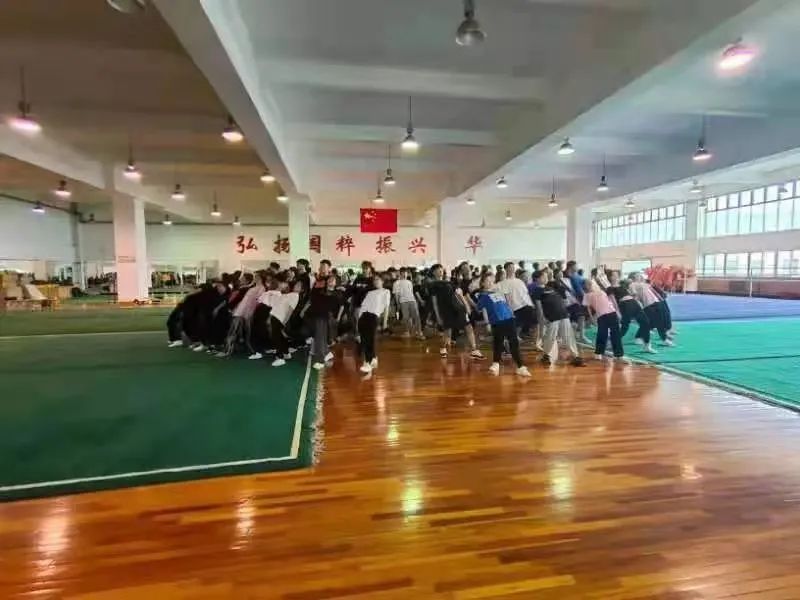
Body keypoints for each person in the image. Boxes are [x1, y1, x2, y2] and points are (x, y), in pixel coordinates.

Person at [476, 273, 531, 377]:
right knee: (498, 343)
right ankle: (495, 364)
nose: (490, 283)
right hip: (496, 321)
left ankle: (520, 367)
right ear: (482, 283)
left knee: (514, 343)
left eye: (492, 281)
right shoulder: (482, 296)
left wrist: (511, 313)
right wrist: (487, 323)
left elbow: (506, 304)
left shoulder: (498, 292)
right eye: (487, 281)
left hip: (509, 319)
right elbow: (484, 310)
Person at [429, 264, 484, 360]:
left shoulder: (450, 281)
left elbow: (459, 293)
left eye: (441, 269)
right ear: (433, 272)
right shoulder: (433, 285)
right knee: (447, 332)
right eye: (437, 270)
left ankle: (474, 350)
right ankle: (443, 348)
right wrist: (438, 316)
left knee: (469, 327)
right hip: (446, 311)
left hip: (459, 308)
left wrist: (466, 305)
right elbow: (434, 302)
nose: (440, 271)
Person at [538, 270, 585, 367]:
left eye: (547, 276)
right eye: (544, 276)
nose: (546, 277)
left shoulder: (554, 285)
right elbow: (539, 307)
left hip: (563, 314)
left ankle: (576, 357)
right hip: (552, 317)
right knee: (550, 337)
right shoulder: (537, 290)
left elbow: (563, 297)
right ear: (537, 279)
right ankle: (546, 356)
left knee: (568, 336)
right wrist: (542, 319)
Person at [606, 271, 656, 354]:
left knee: (646, 322)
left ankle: (647, 346)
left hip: (633, 303)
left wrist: (636, 298)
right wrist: (617, 312)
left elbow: (631, 294)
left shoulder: (622, 285)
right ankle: (611, 341)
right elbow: (613, 301)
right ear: (610, 277)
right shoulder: (609, 288)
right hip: (624, 305)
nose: (617, 276)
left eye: (617, 275)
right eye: (614, 275)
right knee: (625, 327)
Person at [583, 279, 629, 362]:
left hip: (612, 313)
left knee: (616, 334)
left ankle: (619, 355)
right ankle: (598, 353)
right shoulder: (587, 295)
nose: (589, 285)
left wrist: (617, 311)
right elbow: (588, 308)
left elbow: (609, 301)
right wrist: (592, 318)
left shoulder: (601, 291)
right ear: (585, 286)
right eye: (587, 284)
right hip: (601, 316)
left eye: (590, 283)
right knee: (602, 334)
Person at [357, 275, 391, 374]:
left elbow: (386, 307)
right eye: (374, 280)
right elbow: (363, 306)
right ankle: (373, 359)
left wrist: (385, 322)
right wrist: (359, 318)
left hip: (374, 316)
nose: (375, 281)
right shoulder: (370, 293)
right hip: (363, 316)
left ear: (382, 281)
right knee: (364, 339)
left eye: (377, 279)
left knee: (370, 339)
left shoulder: (386, 292)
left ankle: (368, 362)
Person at [630, 273, 674, 346]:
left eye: (640, 276)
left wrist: (660, 299)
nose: (639, 277)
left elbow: (654, 292)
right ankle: (663, 339)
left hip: (655, 302)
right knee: (652, 322)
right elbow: (634, 296)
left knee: (655, 322)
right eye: (637, 276)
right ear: (633, 278)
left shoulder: (646, 284)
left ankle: (663, 338)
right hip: (647, 305)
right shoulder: (632, 285)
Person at [496, 262, 536, 339]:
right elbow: (505, 297)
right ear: (506, 269)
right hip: (513, 307)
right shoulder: (503, 283)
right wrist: (509, 308)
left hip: (524, 304)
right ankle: (513, 337)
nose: (512, 269)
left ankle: (519, 334)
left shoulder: (519, 281)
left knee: (522, 322)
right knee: (516, 323)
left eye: (513, 267)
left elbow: (525, 293)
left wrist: (530, 303)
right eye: (510, 267)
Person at [267, 278, 301, 367]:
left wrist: (284, 322)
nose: (297, 286)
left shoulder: (295, 296)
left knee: (277, 338)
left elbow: (290, 310)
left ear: (302, 289)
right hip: (275, 316)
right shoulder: (287, 294)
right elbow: (277, 306)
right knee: (280, 337)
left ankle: (280, 357)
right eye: (297, 284)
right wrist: (270, 316)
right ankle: (286, 353)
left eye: (299, 286)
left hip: (280, 318)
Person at [392, 268, 424, 339]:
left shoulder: (409, 282)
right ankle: (407, 332)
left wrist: (415, 300)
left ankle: (419, 332)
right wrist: (398, 304)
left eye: (406, 273)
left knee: (416, 317)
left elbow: (411, 292)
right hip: (403, 301)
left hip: (412, 300)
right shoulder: (396, 283)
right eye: (403, 273)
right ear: (400, 273)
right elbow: (396, 294)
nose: (404, 274)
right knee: (406, 317)